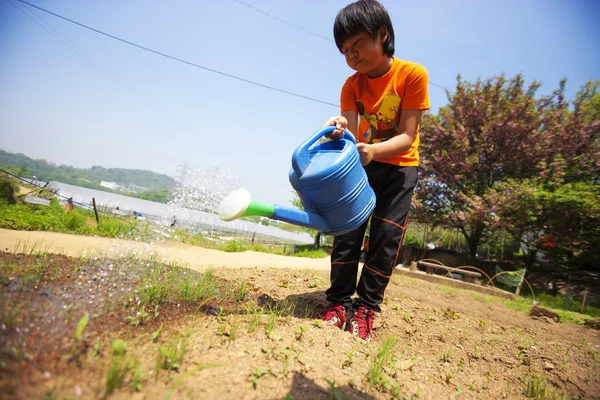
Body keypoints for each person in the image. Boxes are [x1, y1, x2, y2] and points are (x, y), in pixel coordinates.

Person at [318, 0, 430, 341]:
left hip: (399, 170)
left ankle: (366, 308)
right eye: (345, 51)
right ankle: (337, 302)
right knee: (348, 232)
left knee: (385, 240)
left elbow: (407, 137)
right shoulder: (351, 86)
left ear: (382, 35)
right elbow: (350, 136)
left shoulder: (412, 75)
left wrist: (371, 151)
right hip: (362, 165)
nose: (351, 56)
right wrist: (338, 128)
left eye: (357, 45)